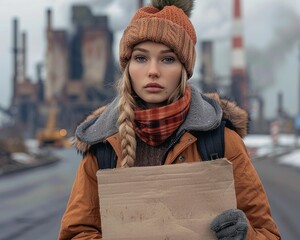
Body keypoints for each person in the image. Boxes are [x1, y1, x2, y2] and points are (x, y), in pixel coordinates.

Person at [59, 0, 281, 239]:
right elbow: (76, 233)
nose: (153, 71)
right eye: (141, 58)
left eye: (167, 59)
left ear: (184, 70)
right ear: (128, 67)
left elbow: (268, 234)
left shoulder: (222, 142)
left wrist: (244, 236)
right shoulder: (103, 146)